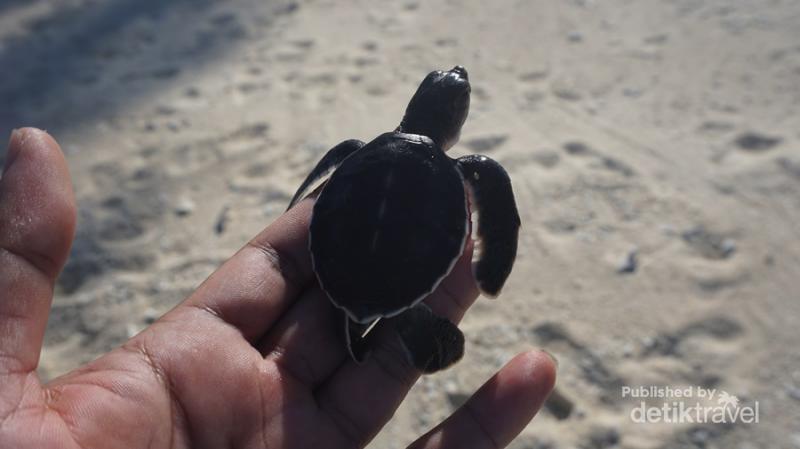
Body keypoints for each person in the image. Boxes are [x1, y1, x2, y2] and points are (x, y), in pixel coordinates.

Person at [0, 128, 556, 448]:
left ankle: (369, 316)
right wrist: (494, 257)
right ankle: (394, 318)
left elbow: (326, 175)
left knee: (353, 306)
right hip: (403, 262)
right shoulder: (470, 168)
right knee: (382, 317)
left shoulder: (359, 148)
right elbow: (494, 195)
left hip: (334, 265)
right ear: (452, 120)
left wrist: (302, 202)